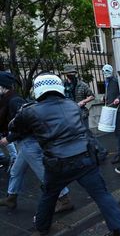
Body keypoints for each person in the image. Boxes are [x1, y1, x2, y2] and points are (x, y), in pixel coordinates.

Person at [4, 73, 120, 235]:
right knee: (102, 194)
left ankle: (42, 226)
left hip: (57, 163)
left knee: (49, 195)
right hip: (85, 159)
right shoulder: (72, 105)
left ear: (38, 89)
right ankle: (119, 228)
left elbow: (14, 127)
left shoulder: (30, 111)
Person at [0, 71, 73, 213]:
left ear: (3, 86)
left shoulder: (14, 101)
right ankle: (11, 198)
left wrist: (8, 138)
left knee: (44, 173)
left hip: (30, 143)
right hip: (25, 144)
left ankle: (65, 200)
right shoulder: (10, 99)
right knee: (16, 171)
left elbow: (26, 124)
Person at [62, 65, 108, 161]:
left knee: (87, 134)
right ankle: (85, 154)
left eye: (73, 73)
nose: (72, 74)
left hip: (81, 113)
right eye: (70, 73)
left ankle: (102, 151)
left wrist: (83, 102)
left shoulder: (82, 84)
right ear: (66, 74)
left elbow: (91, 96)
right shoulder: (63, 85)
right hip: (68, 114)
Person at [103, 64, 120, 164]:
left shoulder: (115, 81)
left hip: (118, 110)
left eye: (107, 70)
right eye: (104, 70)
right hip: (112, 109)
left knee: (119, 133)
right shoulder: (107, 82)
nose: (105, 72)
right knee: (118, 133)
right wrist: (105, 97)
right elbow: (110, 93)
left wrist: (118, 99)